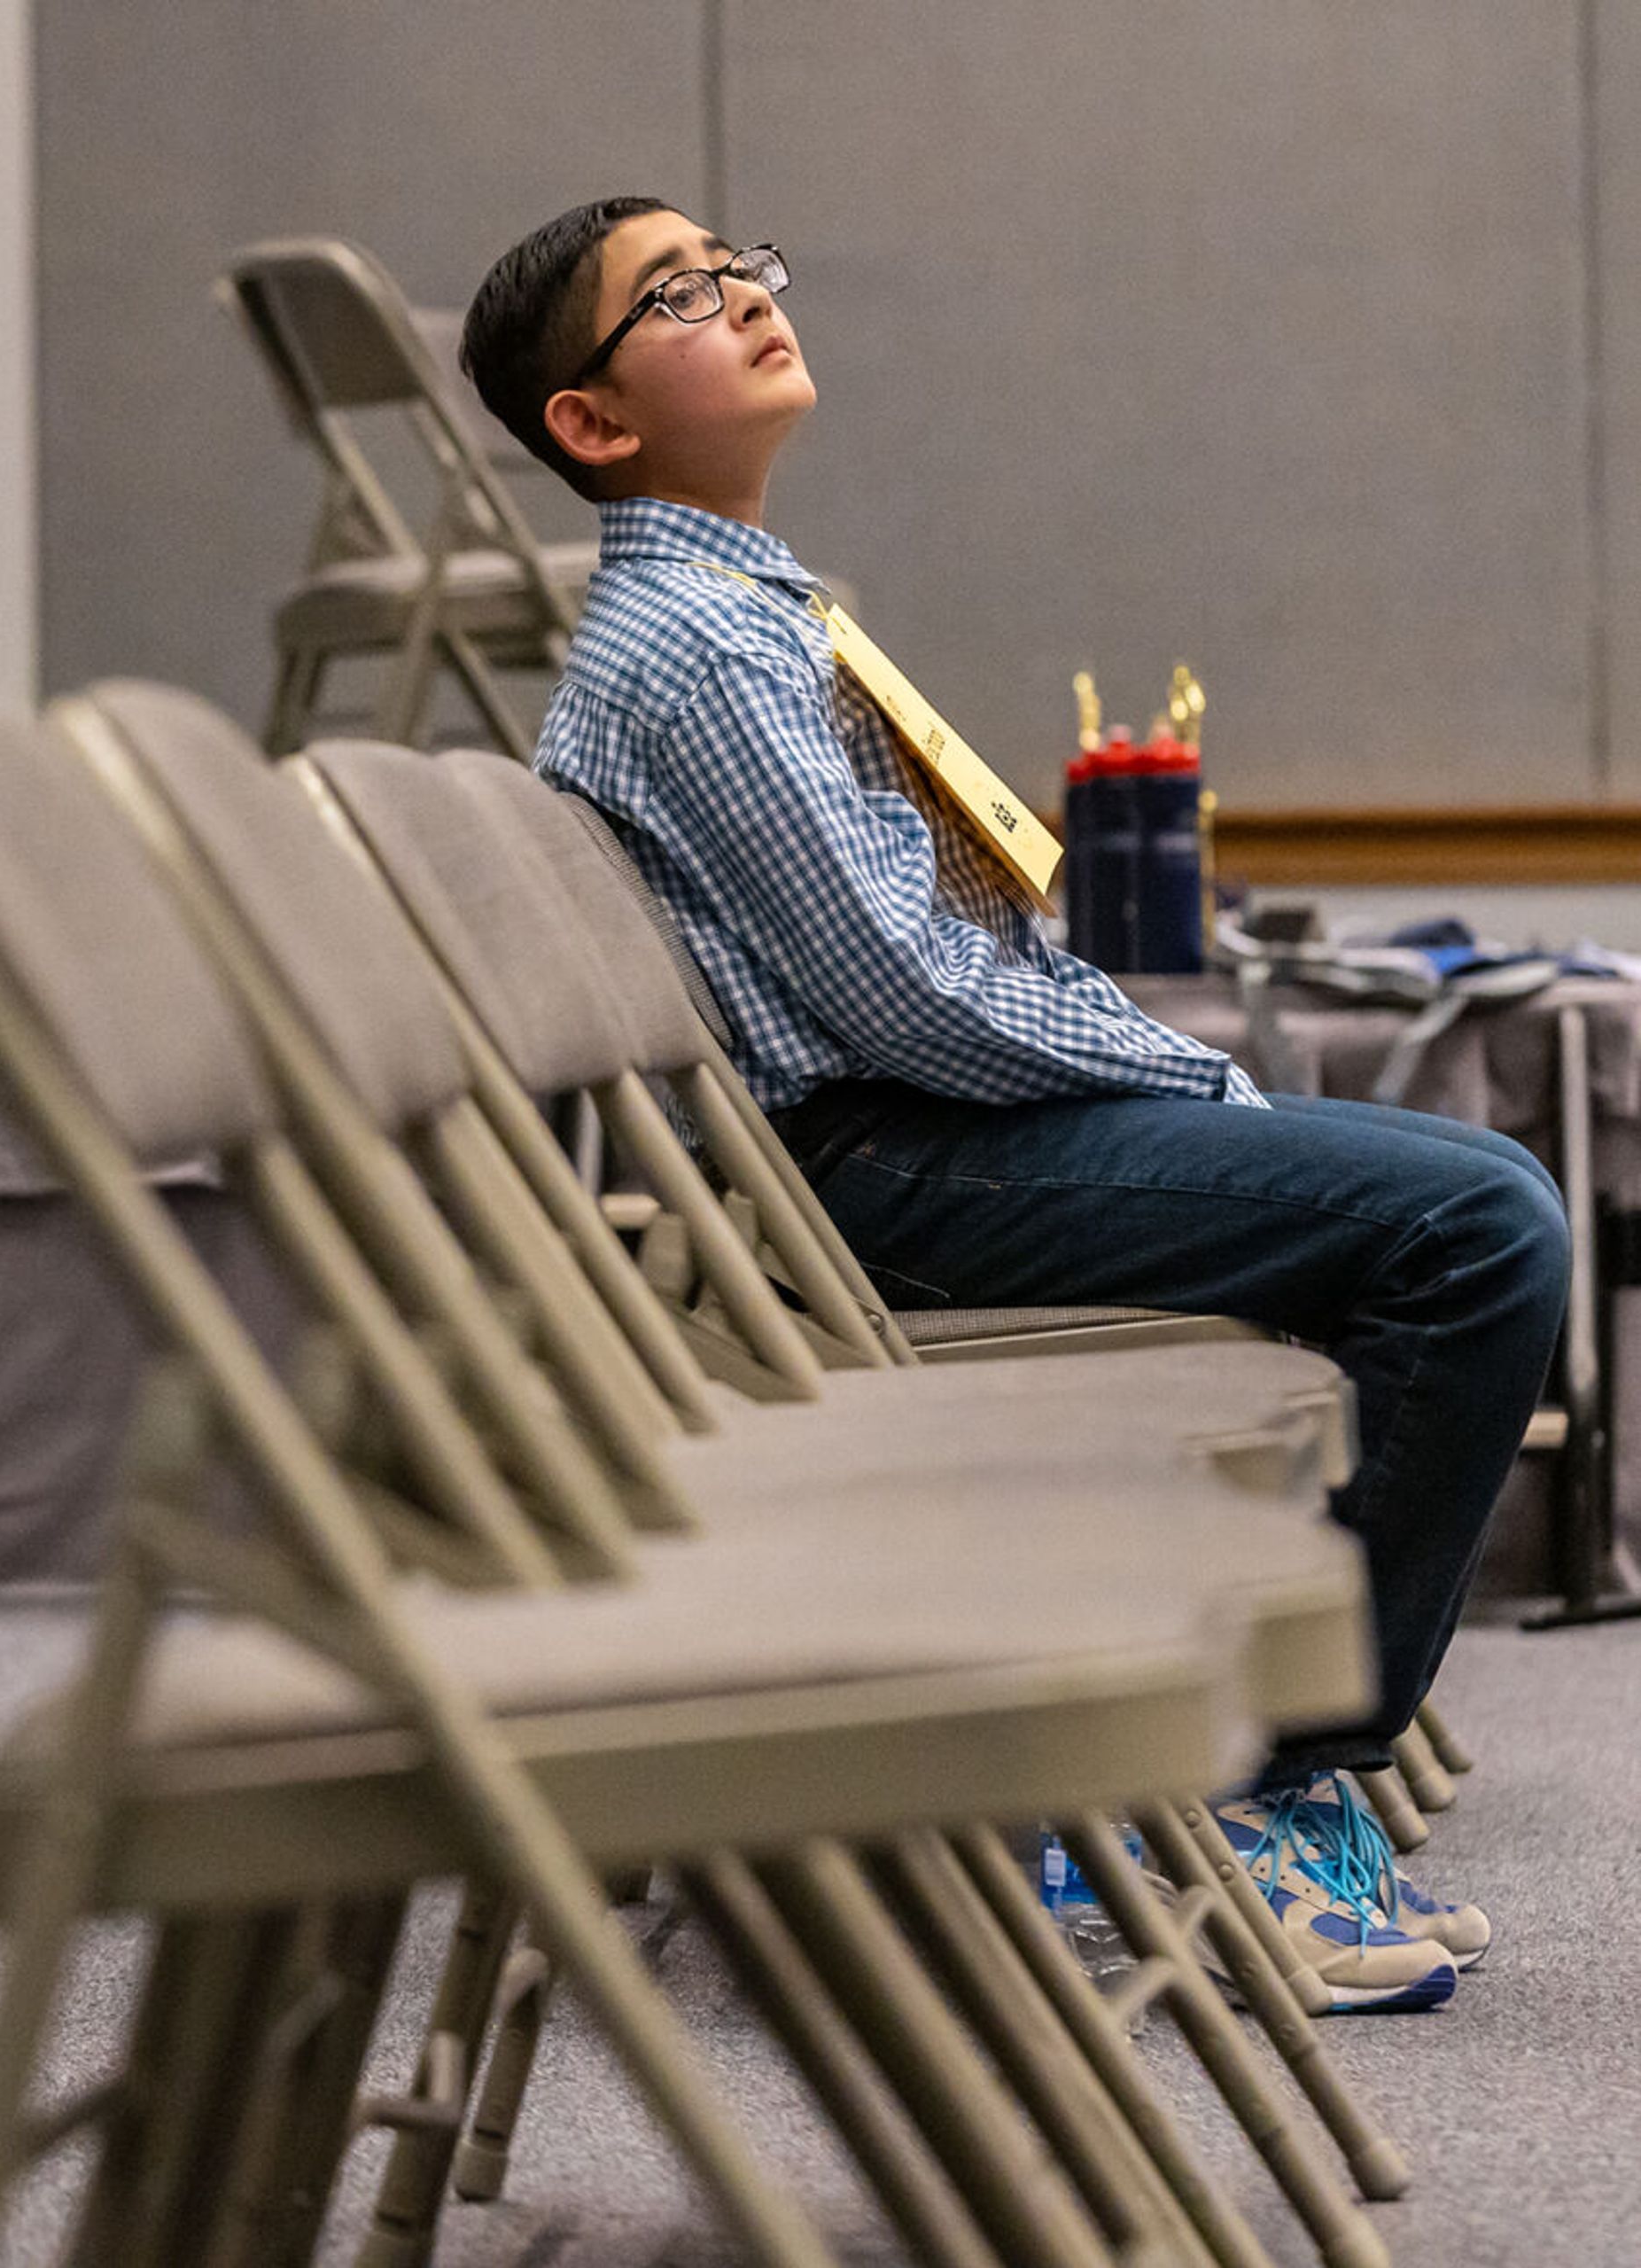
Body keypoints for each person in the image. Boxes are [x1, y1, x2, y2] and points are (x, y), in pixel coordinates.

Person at [455, 195, 1568, 2012]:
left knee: (1455, 1185)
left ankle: (1234, 1767)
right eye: (676, 292)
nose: (739, 294)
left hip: (909, 1136)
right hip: (877, 1169)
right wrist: (1192, 1072)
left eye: (741, 263)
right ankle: (1260, 1789)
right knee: (1476, 1225)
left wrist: (1188, 1083)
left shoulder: (750, 608)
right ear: (589, 422)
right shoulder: (696, 649)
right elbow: (903, 988)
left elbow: (948, 946)